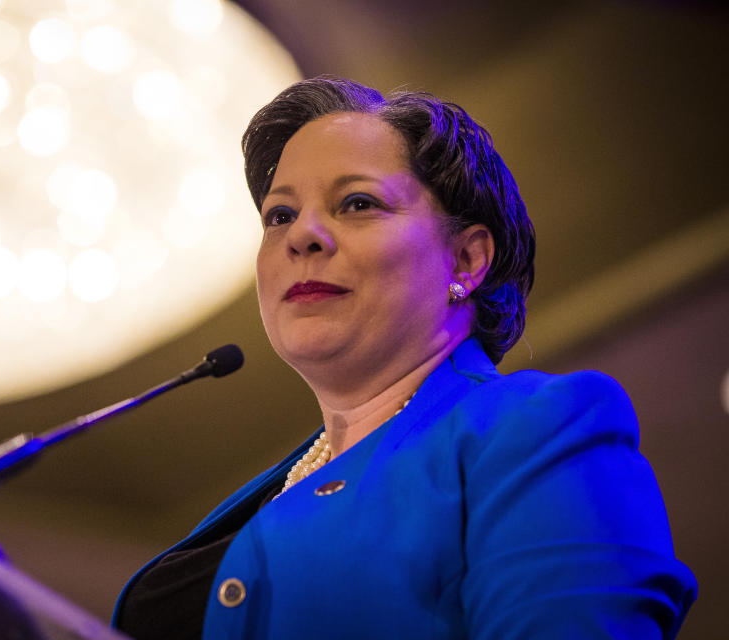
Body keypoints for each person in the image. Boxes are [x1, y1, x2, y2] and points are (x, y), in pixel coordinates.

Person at [111, 76, 697, 639]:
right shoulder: (264, 496)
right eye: (279, 215)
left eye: (357, 202)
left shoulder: (535, 428)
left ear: (466, 260)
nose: (301, 235)